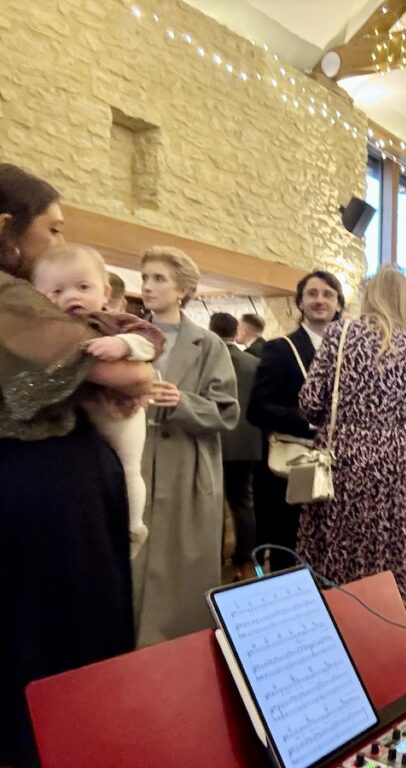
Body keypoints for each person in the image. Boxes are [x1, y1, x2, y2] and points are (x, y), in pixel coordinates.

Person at [0, 163, 150, 767]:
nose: (58, 244)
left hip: (24, 483)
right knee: (64, 641)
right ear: (7, 228)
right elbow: (127, 371)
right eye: (53, 230)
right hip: (45, 485)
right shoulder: (12, 295)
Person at [296, 265, 406, 601]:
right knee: (382, 561)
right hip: (388, 467)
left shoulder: (338, 335)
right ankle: (379, 636)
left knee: (332, 557)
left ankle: (330, 633)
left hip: (337, 461)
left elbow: (309, 403)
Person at [32, 244, 165, 559]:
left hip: (121, 412)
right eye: (57, 291)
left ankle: (134, 526)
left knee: (130, 467)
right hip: (79, 417)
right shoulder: (43, 327)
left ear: (105, 292)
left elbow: (153, 339)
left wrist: (123, 344)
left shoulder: (114, 321)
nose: (71, 297)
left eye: (83, 287)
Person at [135, 246, 239, 647]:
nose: (147, 286)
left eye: (159, 278)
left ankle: (183, 652)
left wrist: (183, 402)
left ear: (184, 289)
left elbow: (226, 412)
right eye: (145, 278)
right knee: (136, 562)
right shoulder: (128, 335)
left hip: (188, 466)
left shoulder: (208, 345)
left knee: (182, 565)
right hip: (137, 461)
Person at [248, 271, 342, 572]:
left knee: (332, 547)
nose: (320, 300)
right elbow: (257, 408)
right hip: (289, 469)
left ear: (338, 303)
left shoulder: (349, 353)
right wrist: (311, 424)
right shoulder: (280, 348)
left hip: (337, 467)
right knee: (287, 549)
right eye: (312, 294)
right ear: (300, 302)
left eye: (328, 294)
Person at [209, 312, 261, 581]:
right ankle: (245, 560)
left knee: (210, 503)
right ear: (235, 330)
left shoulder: (208, 359)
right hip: (247, 442)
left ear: (211, 329)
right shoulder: (253, 362)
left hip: (214, 438)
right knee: (243, 503)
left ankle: (212, 558)